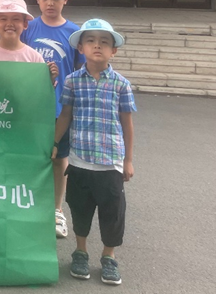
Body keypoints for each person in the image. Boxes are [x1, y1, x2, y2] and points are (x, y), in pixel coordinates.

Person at [53, 19, 136, 286]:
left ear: (114, 50)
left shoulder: (121, 84)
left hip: (110, 163)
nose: (97, 45)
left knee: (112, 212)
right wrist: (54, 142)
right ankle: (81, 251)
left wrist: (128, 160)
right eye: (90, 41)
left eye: (104, 42)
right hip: (79, 160)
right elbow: (65, 115)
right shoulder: (72, 81)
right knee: (80, 209)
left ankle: (109, 256)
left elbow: (127, 123)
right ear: (80, 48)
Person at [22, 0, 82, 239]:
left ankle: (57, 210)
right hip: (30, 107)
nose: (50, 3)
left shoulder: (74, 33)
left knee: (59, 158)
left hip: (61, 109)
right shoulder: (28, 28)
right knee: (29, 157)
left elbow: (80, 69)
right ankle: (27, 203)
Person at [0, 0, 58, 78]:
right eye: (3, 19)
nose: (9, 24)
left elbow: (39, 84)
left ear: (25, 24)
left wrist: (49, 78)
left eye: (16, 19)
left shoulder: (34, 57)